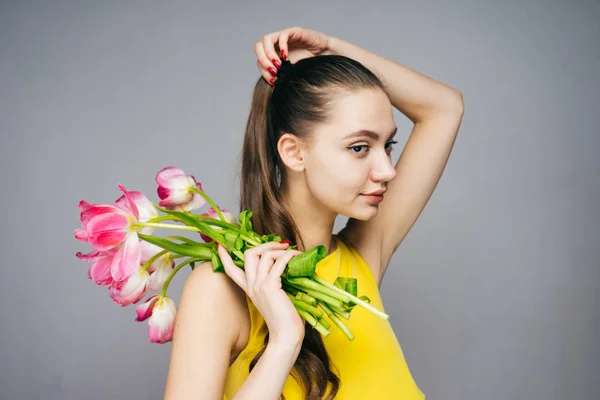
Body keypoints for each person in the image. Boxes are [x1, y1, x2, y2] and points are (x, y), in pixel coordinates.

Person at [163, 26, 464, 400]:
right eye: (359, 147)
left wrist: (331, 49)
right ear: (293, 152)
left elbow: (445, 108)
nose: (387, 170)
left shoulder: (360, 259)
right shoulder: (221, 288)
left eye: (388, 146)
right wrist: (284, 342)